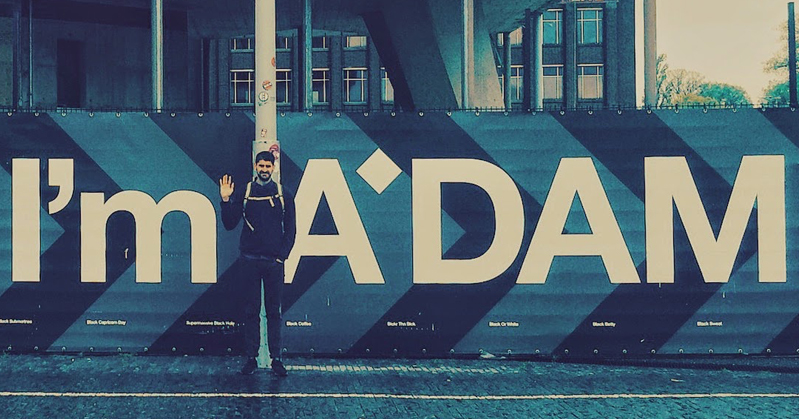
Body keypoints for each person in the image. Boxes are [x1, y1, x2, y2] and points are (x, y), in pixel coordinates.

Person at [219, 150, 296, 376]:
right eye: (260, 166)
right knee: (251, 311)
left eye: (267, 166)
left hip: (273, 263)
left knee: (274, 311)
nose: (264, 170)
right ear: (255, 166)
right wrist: (225, 200)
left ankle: (276, 359)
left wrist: (281, 256)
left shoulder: (284, 194)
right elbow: (229, 223)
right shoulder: (245, 191)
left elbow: (291, 229)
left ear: (273, 168)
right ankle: (251, 358)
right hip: (249, 261)